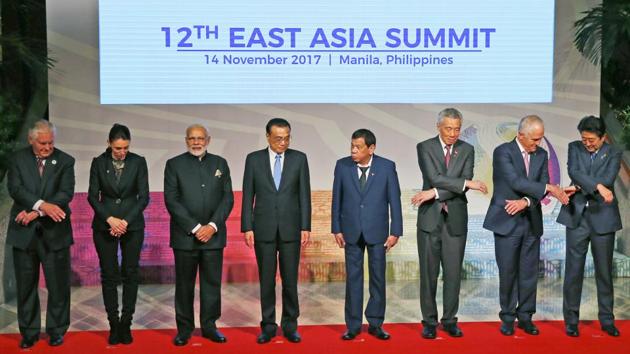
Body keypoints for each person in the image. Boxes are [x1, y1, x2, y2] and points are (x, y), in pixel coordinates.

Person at [483, 115, 569, 336]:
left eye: (540, 139)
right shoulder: (503, 152)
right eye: (534, 139)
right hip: (506, 222)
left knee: (529, 273)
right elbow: (515, 182)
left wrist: (526, 201)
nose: (537, 144)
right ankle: (508, 317)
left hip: (531, 220)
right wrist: (548, 187)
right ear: (521, 135)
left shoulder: (541, 154)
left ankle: (526, 317)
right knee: (508, 272)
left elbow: (536, 187)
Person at [412, 108, 488, 339]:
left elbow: (459, 184)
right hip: (429, 220)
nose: (453, 133)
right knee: (429, 274)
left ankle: (450, 320)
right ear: (438, 127)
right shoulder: (425, 147)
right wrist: (465, 183)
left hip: (455, 218)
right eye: (448, 128)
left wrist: (433, 193)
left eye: (457, 129)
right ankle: (429, 322)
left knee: (453, 274)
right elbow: (436, 177)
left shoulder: (467, 149)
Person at [6, 120, 75, 348]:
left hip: (55, 233)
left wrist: (36, 212)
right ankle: (29, 332)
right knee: (26, 286)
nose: (47, 147)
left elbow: (65, 193)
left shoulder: (65, 160)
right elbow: (15, 189)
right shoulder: (17, 159)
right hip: (23, 233)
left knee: (58, 286)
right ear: (31, 140)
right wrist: (42, 205)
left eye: (50, 143)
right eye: (43, 143)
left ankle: (56, 330)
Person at [241, 118, 311, 344]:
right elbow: (247, 195)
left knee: (290, 281)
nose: (283, 142)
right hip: (263, 229)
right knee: (267, 280)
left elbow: (304, 196)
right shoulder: (253, 160)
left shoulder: (299, 159)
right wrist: (247, 227)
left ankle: (290, 325)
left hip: (291, 229)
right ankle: (268, 326)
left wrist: (305, 226)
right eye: (279, 138)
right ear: (268, 137)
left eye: (287, 137)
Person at [164, 124, 234, 346]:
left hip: (213, 237)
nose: (196, 142)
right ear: (186, 140)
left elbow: (227, 199)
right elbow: (171, 200)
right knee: (184, 285)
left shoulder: (220, 164)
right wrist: (195, 228)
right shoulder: (174, 165)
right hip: (185, 238)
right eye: (192, 138)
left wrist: (212, 226)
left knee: (211, 284)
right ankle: (184, 329)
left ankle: (210, 326)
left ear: (208, 140)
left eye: (200, 138)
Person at [331, 128, 402, 341]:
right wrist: (336, 228)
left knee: (378, 279)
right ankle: (352, 326)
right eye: (352, 146)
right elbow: (337, 198)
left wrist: (395, 231)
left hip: (378, 232)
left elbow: (394, 201)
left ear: (371, 148)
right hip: (350, 231)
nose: (353, 150)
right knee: (353, 280)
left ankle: (375, 323)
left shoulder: (387, 167)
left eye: (358, 147)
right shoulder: (342, 166)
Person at [557, 116, 623, 337]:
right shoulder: (574, 148)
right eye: (584, 139)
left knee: (604, 272)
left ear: (603, 137)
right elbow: (574, 172)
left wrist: (582, 185)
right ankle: (571, 321)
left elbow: (609, 177)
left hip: (603, 218)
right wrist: (596, 186)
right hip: (577, 216)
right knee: (573, 271)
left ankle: (607, 319)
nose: (587, 143)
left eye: (592, 140)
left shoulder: (614, 153)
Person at [87, 123, 149, 345]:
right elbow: (93, 197)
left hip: (131, 226)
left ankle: (126, 323)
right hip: (105, 226)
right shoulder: (98, 163)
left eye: (125, 148)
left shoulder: (138, 162)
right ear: (109, 144)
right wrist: (110, 219)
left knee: (131, 272)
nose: (122, 152)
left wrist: (125, 221)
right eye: (117, 148)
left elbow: (144, 197)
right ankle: (113, 324)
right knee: (109, 274)